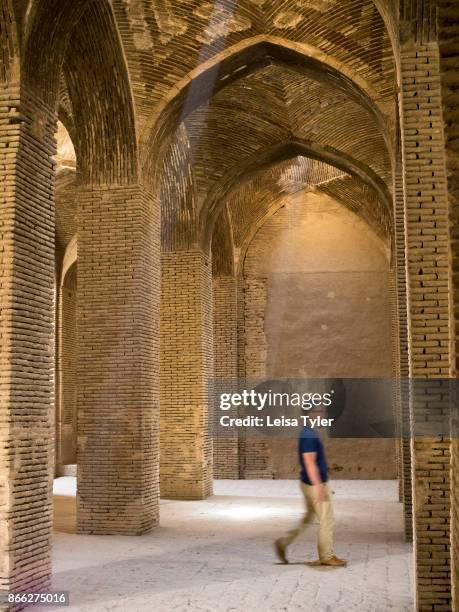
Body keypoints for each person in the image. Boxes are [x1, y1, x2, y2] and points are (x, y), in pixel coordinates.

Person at [274, 412, 346, 567]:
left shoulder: (309, 433)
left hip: (308, 484)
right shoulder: (308, 435)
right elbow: (309, 461)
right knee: (327, 520)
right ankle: (326, 556)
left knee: (307, 519)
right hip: (314, 485)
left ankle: (284, 542)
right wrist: (319, 486)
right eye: (319, 414)